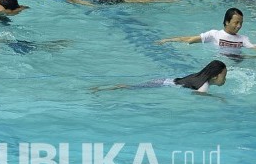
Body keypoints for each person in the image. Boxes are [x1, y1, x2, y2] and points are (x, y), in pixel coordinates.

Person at [91, 60, 227, 95]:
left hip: (164, 80)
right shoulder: (204, 86)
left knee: (132, 87)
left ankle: (102, 88)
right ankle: (102, 89)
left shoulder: (200, 76)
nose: (225, 79)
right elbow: (198, 95)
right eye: (224, 76)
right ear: (215, 76)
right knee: (129, 88)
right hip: (162, 85)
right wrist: (217, 98)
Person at [158, 8, 253, 50]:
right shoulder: (214, 34)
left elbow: (253, 47)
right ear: (227, 22)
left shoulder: (243, 39)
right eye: (236, 23)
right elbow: (190, 39)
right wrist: (169, 40)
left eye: (241, 23)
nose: (239, 26)